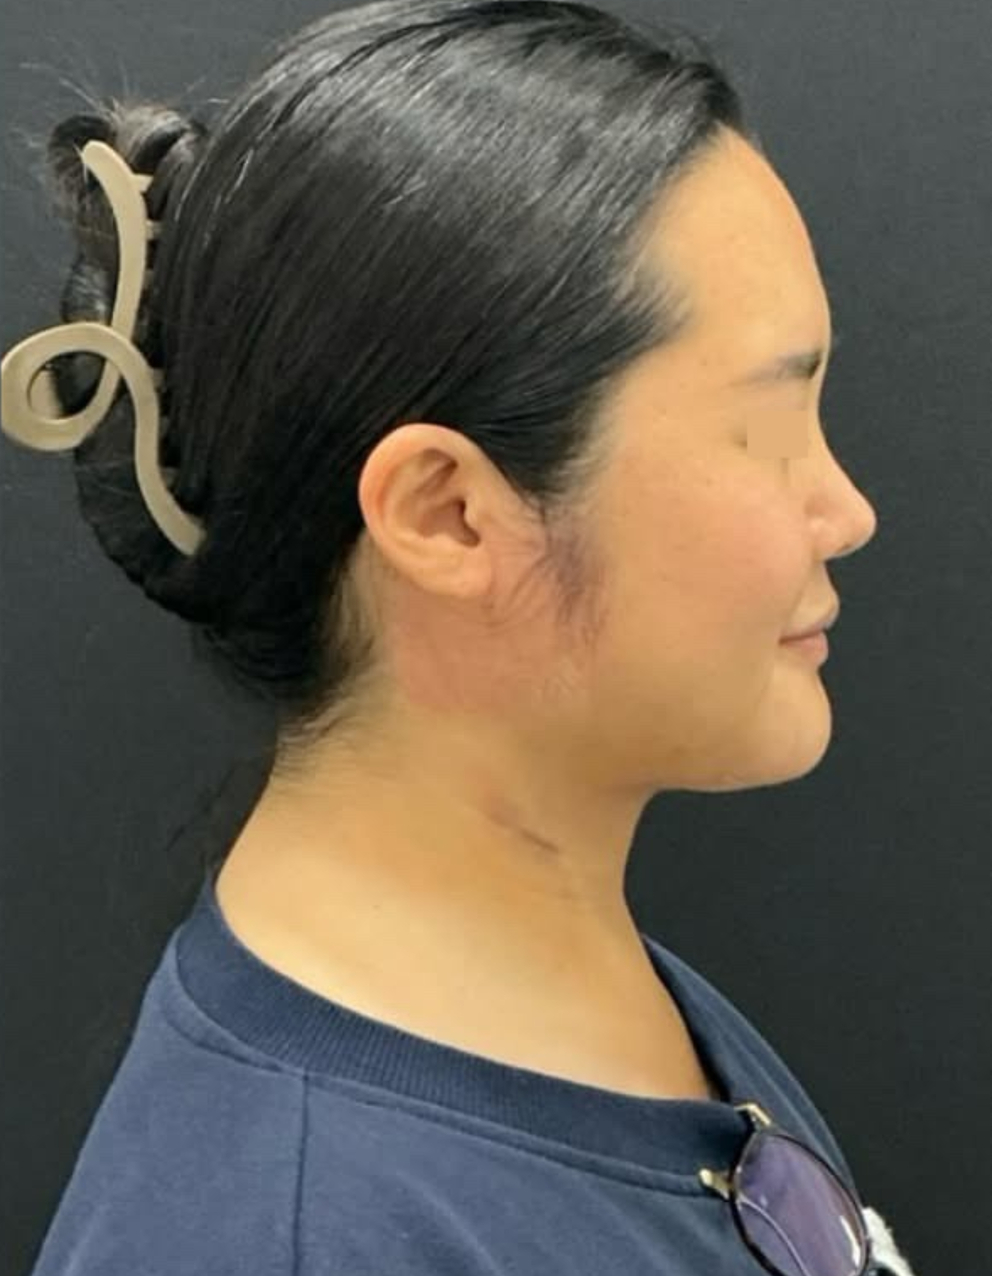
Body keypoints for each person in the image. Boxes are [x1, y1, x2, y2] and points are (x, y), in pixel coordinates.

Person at [4, 3, 916, 1273]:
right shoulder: (285, 1237)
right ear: (446, 513)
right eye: (766, 427)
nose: (847, 509)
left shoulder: (570, 990)